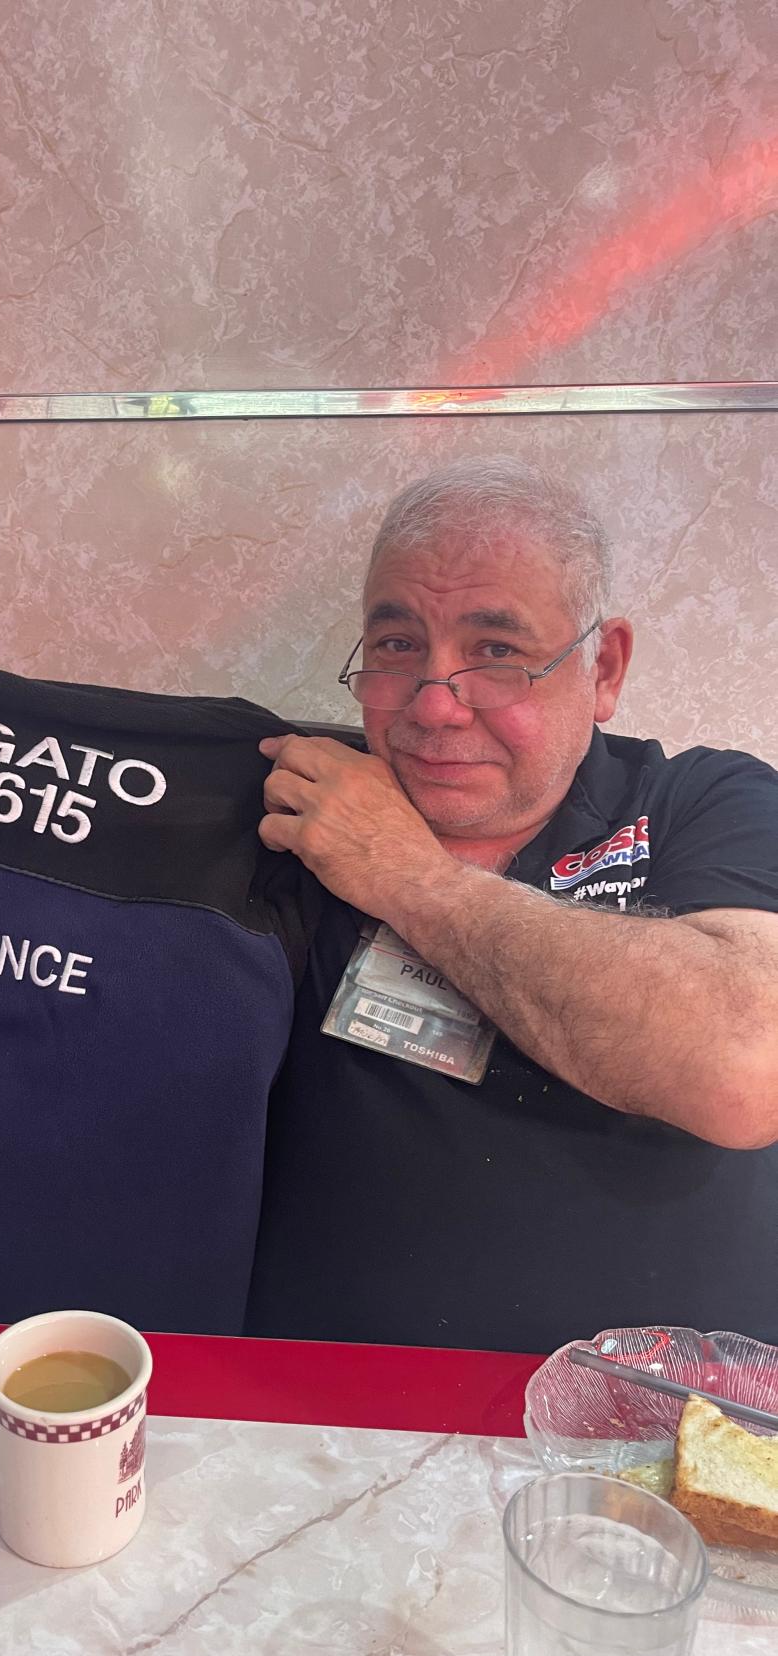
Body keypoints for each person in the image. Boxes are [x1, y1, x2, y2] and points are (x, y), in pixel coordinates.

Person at [246, 455, 778, 1353]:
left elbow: (743, 1069)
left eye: (497, 652)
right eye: (398, 645)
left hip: (671, 1439)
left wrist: (415, 880)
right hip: (330, 1436)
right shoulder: (304, 810)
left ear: (603, 668)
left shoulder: (705, 801)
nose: (435, 705)